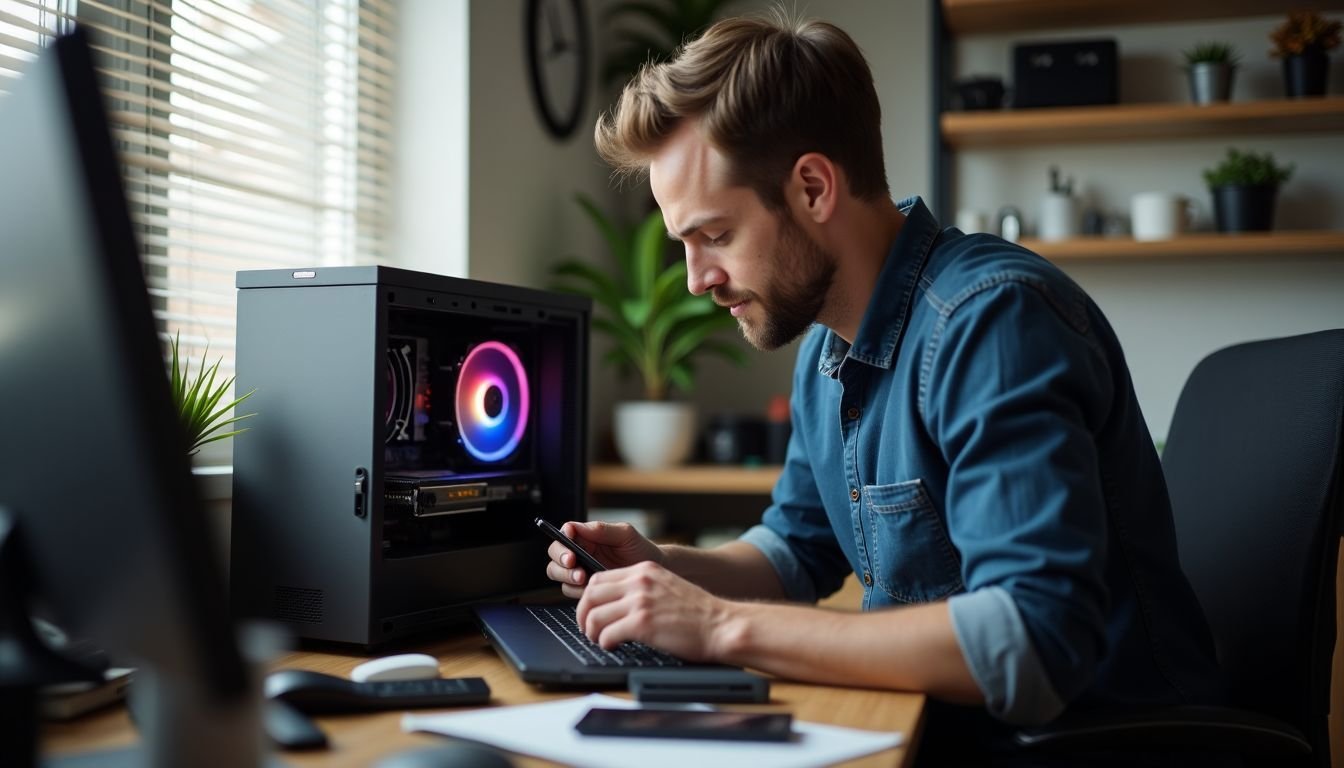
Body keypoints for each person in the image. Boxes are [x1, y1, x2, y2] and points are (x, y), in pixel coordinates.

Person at [547, 11, 1223, 760]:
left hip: (1089, 746)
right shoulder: (827, 347)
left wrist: (714, 624)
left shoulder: (991, 323)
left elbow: (1033, 639)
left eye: (715, 235)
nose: (697, 278)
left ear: (812, 187)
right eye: (684, 243)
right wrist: (666, 569)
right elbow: (794, 552)